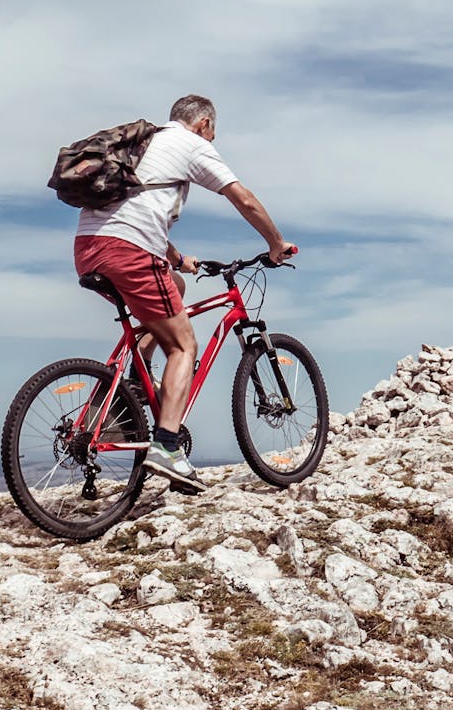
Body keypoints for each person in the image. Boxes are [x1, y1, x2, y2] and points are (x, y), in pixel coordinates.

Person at [73, 94, 295, 494]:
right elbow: (242, 197)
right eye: (214, 132)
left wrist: (176, 257)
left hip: (90, 249)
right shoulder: (192, 145)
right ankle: (166, 447)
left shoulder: (144, 145)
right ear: (204, 124)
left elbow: (135, 210)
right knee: (183, 346)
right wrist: (276, 242)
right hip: (130, 251)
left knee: (172, 289)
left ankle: (135, 385)